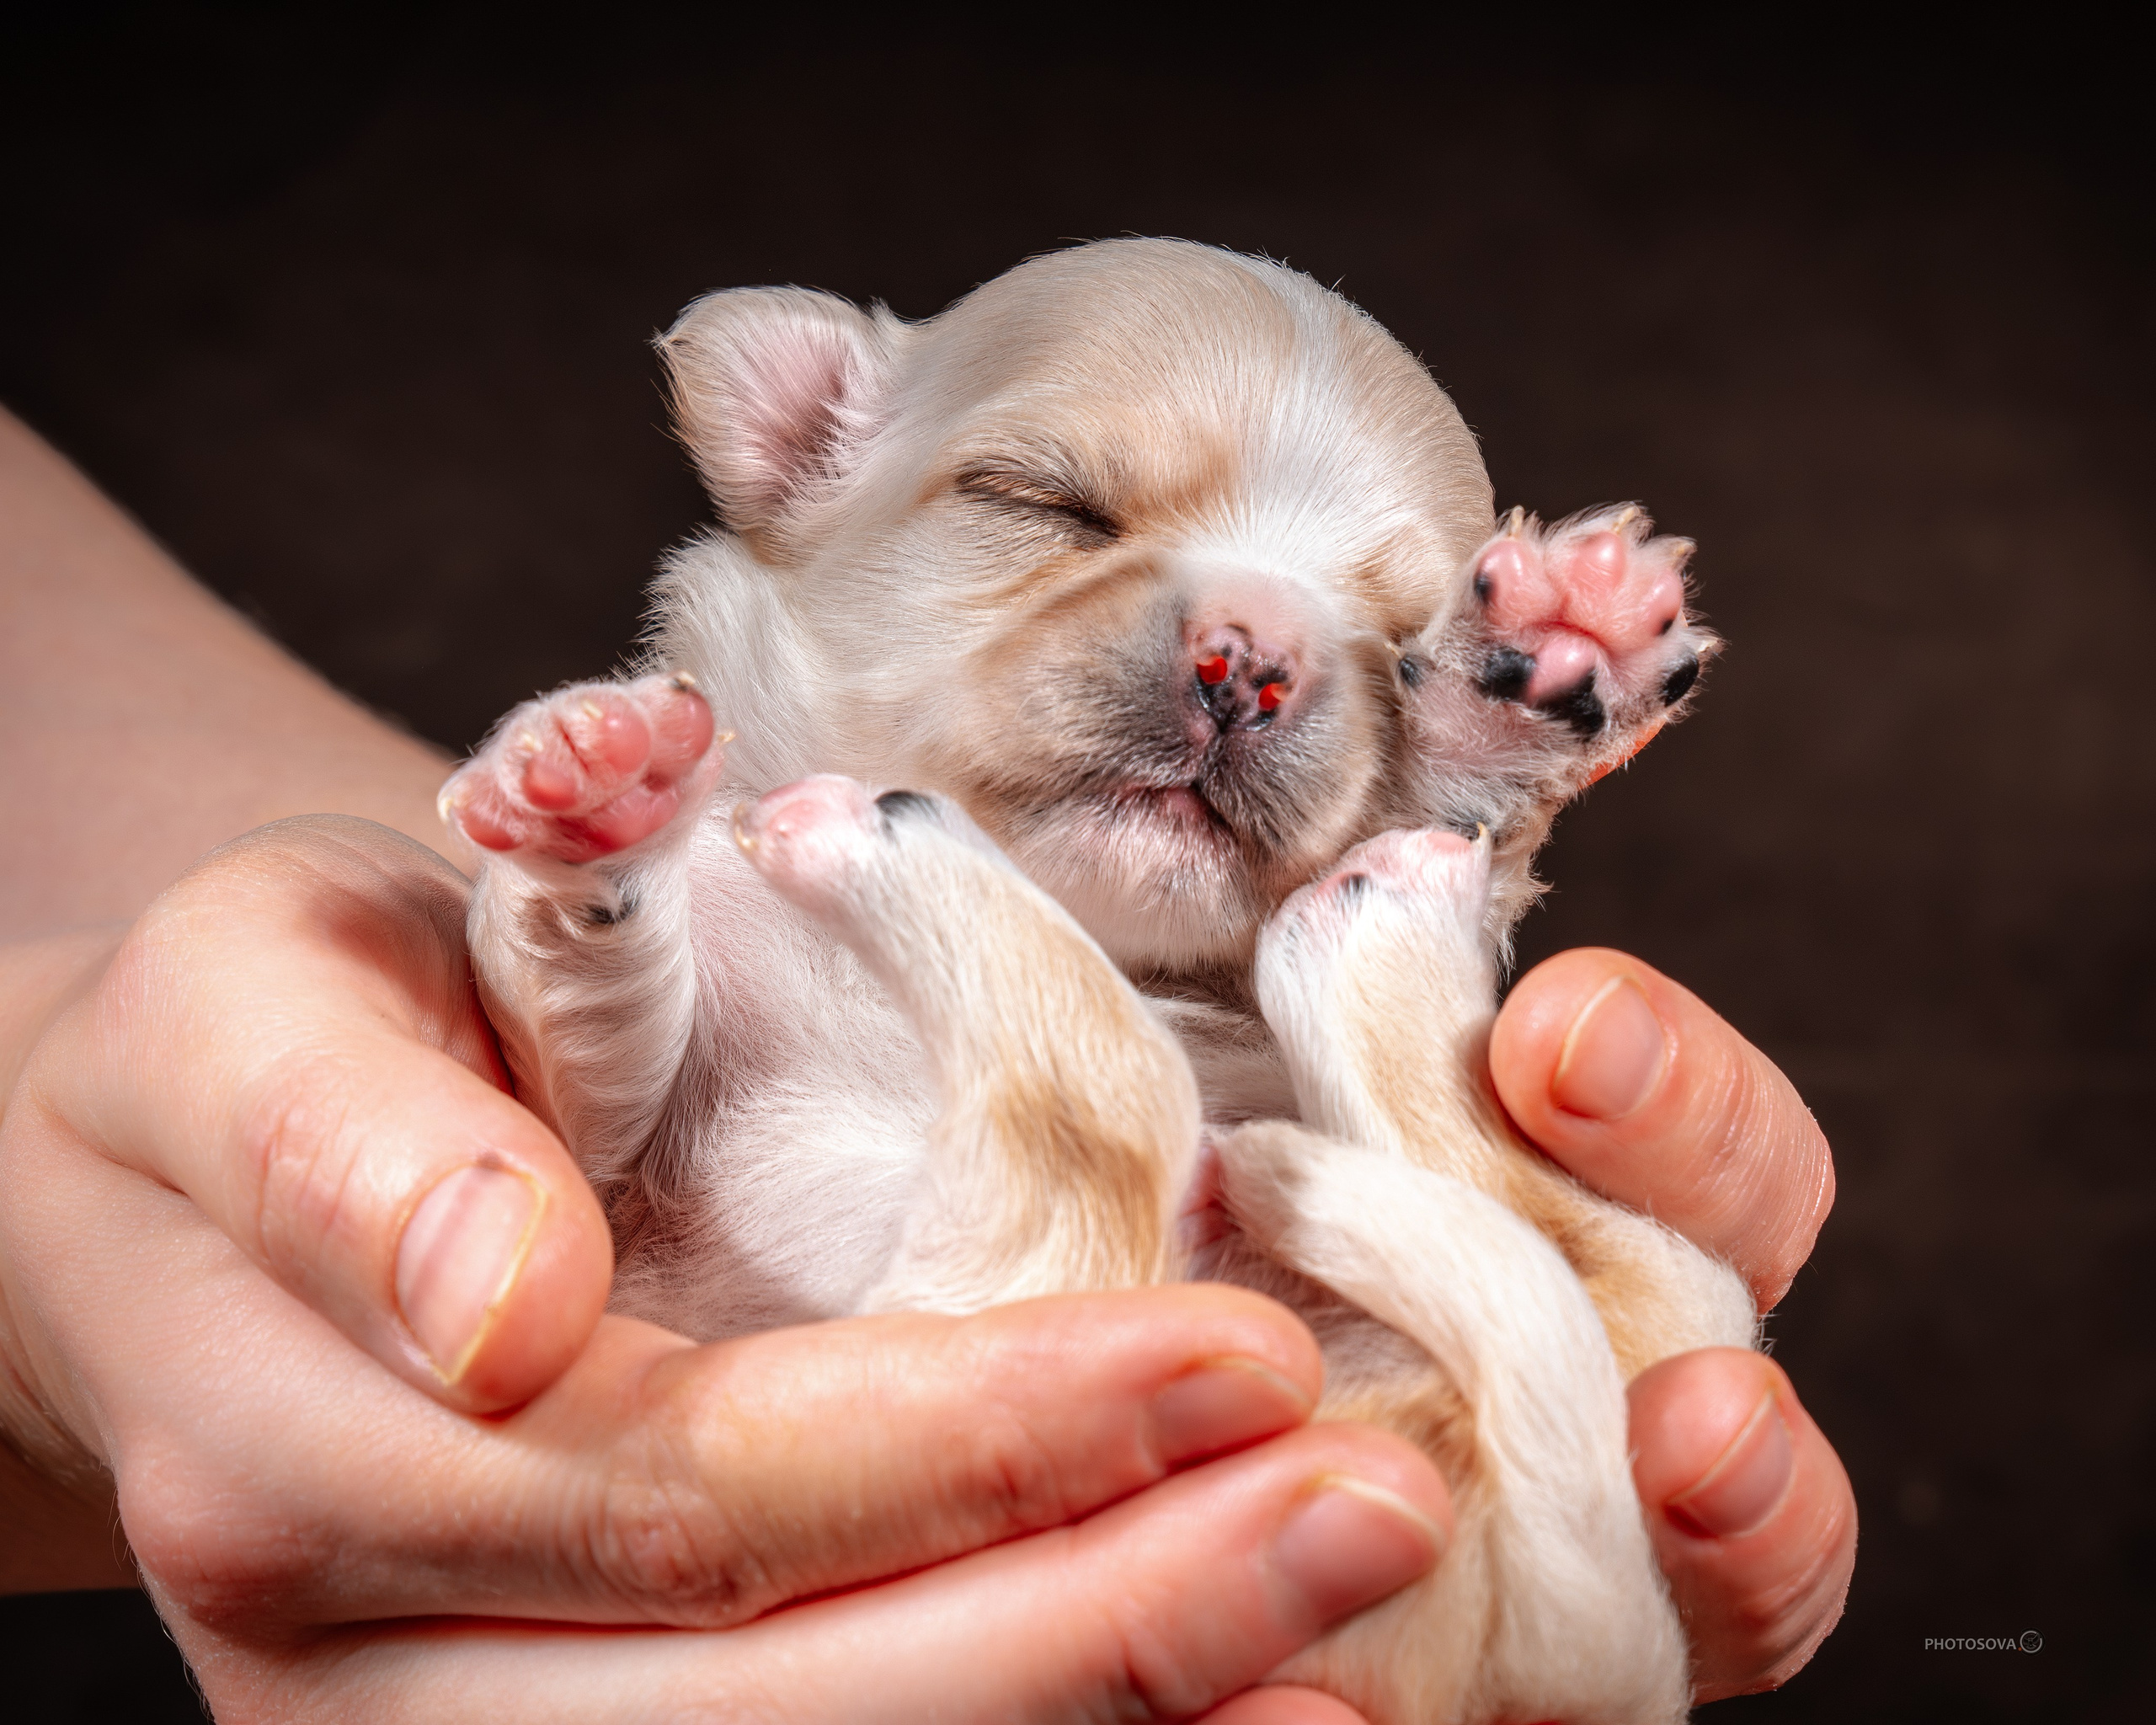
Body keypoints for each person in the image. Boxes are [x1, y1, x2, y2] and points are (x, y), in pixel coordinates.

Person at [0, 405, 1854, 1722]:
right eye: (1060, 506)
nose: (1240, 665)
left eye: (1378, 648)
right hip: (1135, 1399)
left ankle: (1464, 750)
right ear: (806, 434)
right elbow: (562, 1113)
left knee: (1517, 1188)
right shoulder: (749, 846)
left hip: (1319, 1444)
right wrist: (590, 898)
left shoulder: (1190, 954)